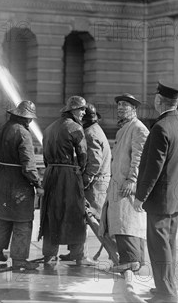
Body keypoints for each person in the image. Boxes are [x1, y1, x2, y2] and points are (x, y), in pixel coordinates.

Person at [134, 81, 178, 303]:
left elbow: (153, 168)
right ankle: (164, 287)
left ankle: (167, 294)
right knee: (168, 245)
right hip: (175, 196)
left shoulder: (160, 128)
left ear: (159, 100)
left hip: (160, 199)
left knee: (159, 247)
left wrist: (141, 196)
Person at [0, 100, 43, 270]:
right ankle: (19, 259)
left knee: (3, 217)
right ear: (26, 118)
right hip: (19, 183)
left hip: (1, 178)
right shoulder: (23, 133)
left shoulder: (0, 129)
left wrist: (2, 171)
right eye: (30, 119)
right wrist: (37, 182)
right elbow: (28, 165)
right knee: (22, 221)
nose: (30, 122)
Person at [38, 95, 89, 265]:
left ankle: (49, 254)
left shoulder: (49, 128)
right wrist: (80, 171)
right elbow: (83, 154)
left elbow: (45, 157)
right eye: (81, 109)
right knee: (75, 213)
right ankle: (77, 254)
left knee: (50, 214)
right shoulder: (75, 128)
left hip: (50, 174)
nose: (84, 112)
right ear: (72, 109)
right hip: (69, 176)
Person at [102, 93, 149, 273]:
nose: (120, 108)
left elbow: (140, 157)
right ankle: (132, 260)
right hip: (119, 183)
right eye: (119, 105)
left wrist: (132, 179)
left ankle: (131, 260)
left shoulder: (138, 129)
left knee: (128, 222)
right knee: (122, 222)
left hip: (127, 185)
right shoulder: (126, 128)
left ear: (134, 109)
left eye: (125, 105)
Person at [60, 103, 112, 264]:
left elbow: (94, 163)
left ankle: (115, 253)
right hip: (95, 183)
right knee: (80, 219)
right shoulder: (95, 130)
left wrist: (84, 182)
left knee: (93, 220)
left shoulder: (90, 134)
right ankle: (76, 253)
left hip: (94, 185)